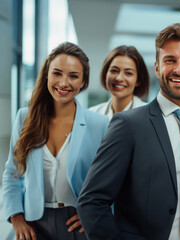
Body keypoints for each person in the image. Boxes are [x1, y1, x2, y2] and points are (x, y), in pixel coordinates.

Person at [77, 23, 180, 240]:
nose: (179, 69)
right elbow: (92, 201)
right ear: (158, 68)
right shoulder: (128, 125)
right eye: (170, 60)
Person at [2, 42, 109, 240]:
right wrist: (16, 217)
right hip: (33, 224)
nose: (63, 82)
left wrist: (95, 214)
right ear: (46, 76)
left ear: (83, 82)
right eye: (57, 73)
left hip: (78, 224)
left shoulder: (100, 124)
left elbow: (112, 181)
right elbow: (12, 173)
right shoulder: (25, 118)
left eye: (73, 76)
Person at [89, 45, 149, 119]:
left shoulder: (149, 116)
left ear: (138, 80)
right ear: (105, 75)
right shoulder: (92, 114)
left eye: (128, 73)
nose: (119, 78)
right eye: (114, 71)